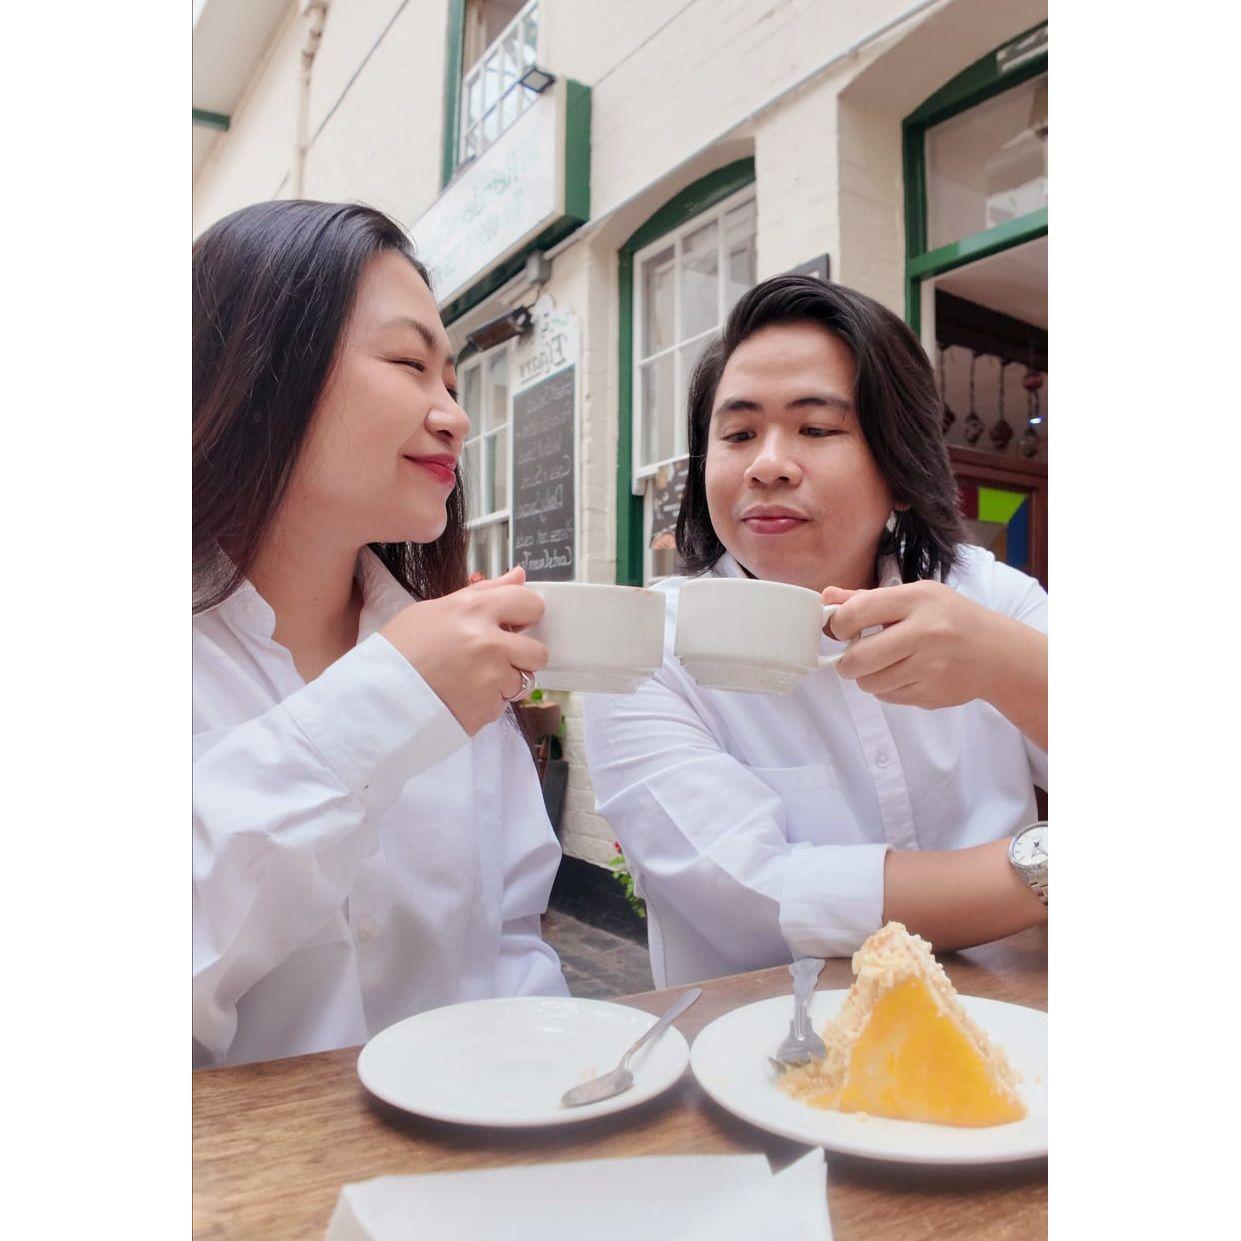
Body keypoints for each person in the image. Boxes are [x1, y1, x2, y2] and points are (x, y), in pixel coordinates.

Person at [584, 275, 1047, 988]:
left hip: (1019, 1029)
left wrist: (1001, 663)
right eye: (737, 434)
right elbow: (752, 892)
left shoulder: (988, 597)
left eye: (817, 429)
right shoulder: (645, 651)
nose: (767, 464)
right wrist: (1044, 869)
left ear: (900, 468)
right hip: (770, 1040)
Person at [193, 200, 567, 1067]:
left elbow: (511, 941)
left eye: (452, 382)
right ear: (260, 369)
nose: (455, 416)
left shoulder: (456, 654)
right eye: (408, 363)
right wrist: (387, 705)